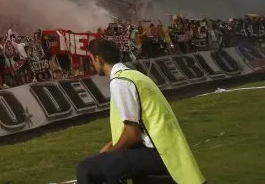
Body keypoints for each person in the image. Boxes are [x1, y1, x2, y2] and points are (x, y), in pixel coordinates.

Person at [76, 38, 205, 184]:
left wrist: (110, 153)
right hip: (168, 150)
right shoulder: (135, 76)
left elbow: (133, 135)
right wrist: (111, 147)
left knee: (86, 169)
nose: (92, 64)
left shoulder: (120, 82)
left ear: (99, 59)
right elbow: (140, 126)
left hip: (156, 153)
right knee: (105, 164)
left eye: (92, 59)